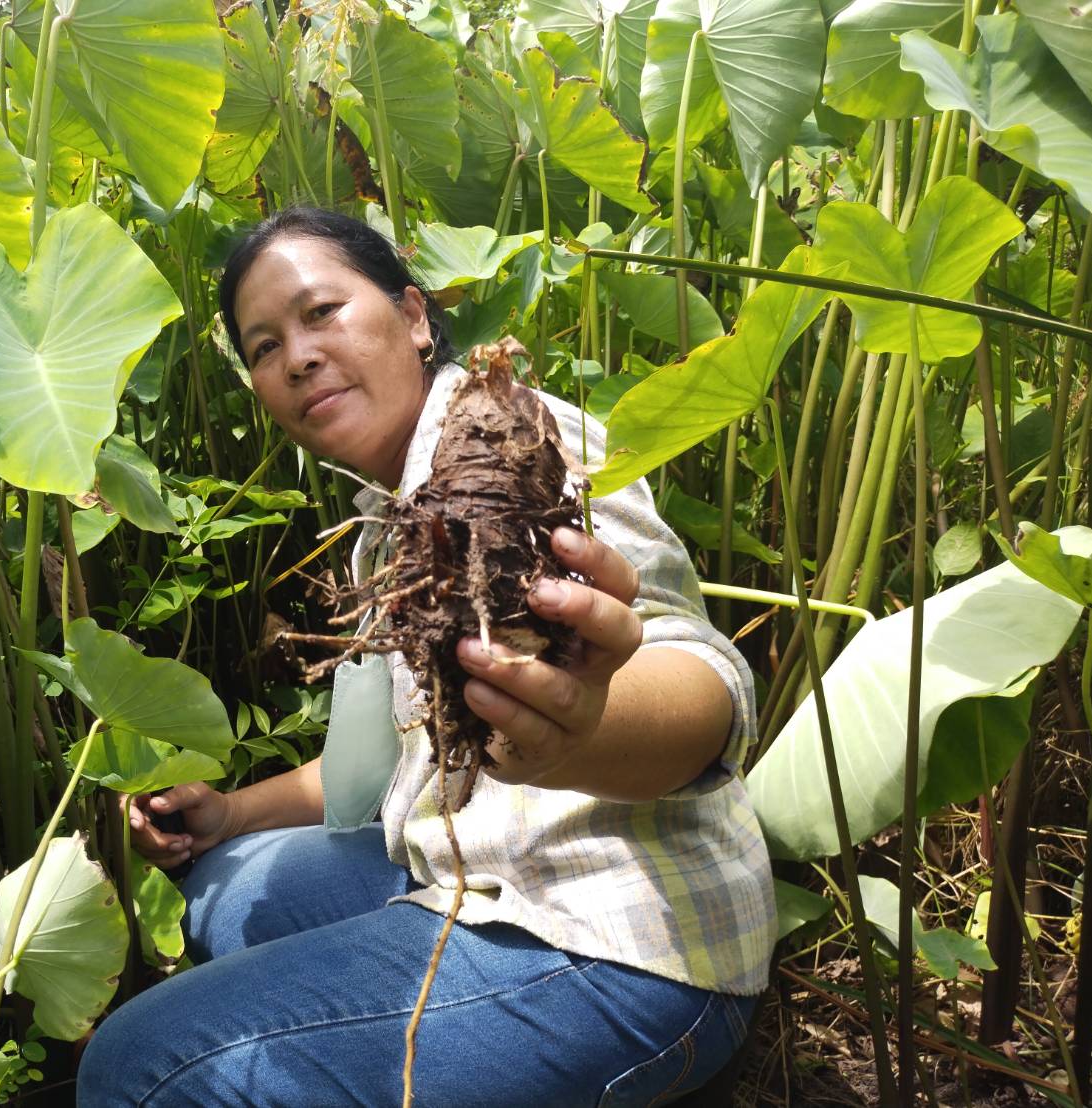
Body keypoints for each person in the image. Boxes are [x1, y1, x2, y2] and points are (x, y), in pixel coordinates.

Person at [76, 209, 776, 1106]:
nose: (294, 357)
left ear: (412, 316)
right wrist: (229, 813)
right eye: (262, 346)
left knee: (144, 1067)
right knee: (220, 885)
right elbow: (385, 764)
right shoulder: (386, 519)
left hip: (615, 944)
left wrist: (581, 728)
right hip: (460, 879)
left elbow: (695, 677)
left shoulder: (515, 444)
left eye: (321, 310)